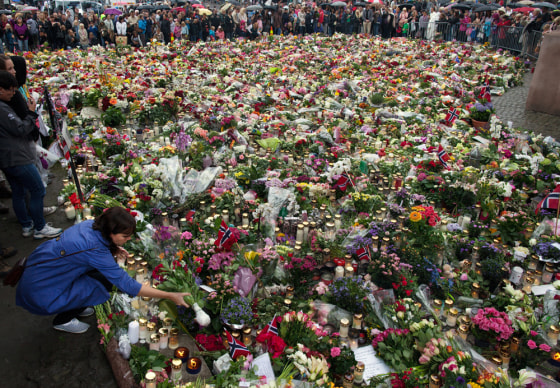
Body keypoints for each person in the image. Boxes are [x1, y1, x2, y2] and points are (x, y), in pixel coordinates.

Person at [16, 207, 190, 333]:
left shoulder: (91, 225)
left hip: (46, 265)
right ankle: (63, 320)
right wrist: (169, 295)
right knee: (101, 284)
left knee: (97, 277)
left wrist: (113, 248)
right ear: (110, 232)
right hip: (43, 285)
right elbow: (127, 285)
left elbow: (86, 251)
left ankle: (75, 304)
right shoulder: (94, 249)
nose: (128, 240)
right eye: (124, 236)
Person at [0, 71, 62, 240]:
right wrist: (30, 112)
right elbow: (20, 129)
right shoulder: (3, 109)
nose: (13, 94)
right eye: (11, 90)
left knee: (19, 191)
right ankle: (40, 227)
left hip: (6, 158)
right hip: (17, 157)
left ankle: (27, 225)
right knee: (37, 189)